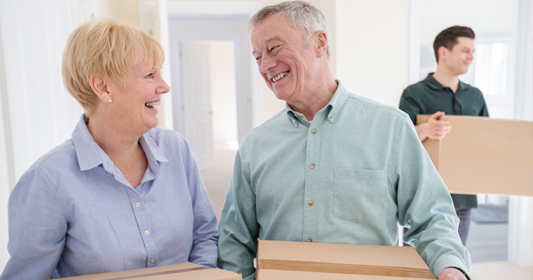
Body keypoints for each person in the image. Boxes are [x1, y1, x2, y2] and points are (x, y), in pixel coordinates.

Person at [217, 2, 471, 280]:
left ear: (319, 43)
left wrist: (450, 268)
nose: (265, 65)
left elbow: (432, 216)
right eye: (257, 56)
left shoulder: (390, 128)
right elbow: (235, 240)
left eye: (274, 48)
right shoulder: (255, 145)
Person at [0, 18, 218, 280]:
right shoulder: (47, 181)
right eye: (150, 75)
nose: (164, 86)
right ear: (103, 87)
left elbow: (204, 234)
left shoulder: (176, 149)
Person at [399, 26, 489, 246]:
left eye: (473, 52)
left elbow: (487, 143)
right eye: (465, 50)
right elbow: (398, 144)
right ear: (443, 52)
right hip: (422, 197)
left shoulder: (475, 96)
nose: (471, 57)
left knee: (456, 261)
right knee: (419, 263)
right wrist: (424, 130)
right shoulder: (414, 94)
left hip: (463, 196)